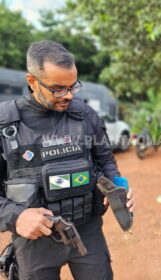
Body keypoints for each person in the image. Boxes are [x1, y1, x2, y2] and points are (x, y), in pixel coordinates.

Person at [0, 40, 135, 280]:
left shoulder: (85, 115)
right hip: (35, 242)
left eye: (73, 86)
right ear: (32, 82)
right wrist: (16, 216)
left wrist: (119, 185)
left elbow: (105, 160)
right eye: (58, 89)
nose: (69, 95)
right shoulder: (4, 125)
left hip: (86, 230)